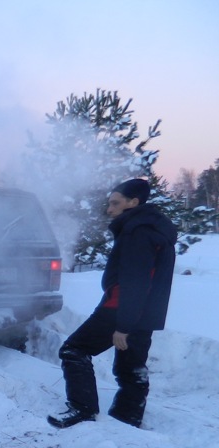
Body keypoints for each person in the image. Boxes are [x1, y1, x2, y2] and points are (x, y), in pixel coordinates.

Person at [48, 178, 177, 429]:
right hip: (146, 312)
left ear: (133, 202)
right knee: (131, 368)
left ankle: (82, 408)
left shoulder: (137, 232)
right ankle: (127, 421)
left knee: (74, 350)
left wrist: (123, 325)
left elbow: (136, 281)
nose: (109, 209)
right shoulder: (156, 230)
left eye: (115, 203)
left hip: (120, 310)